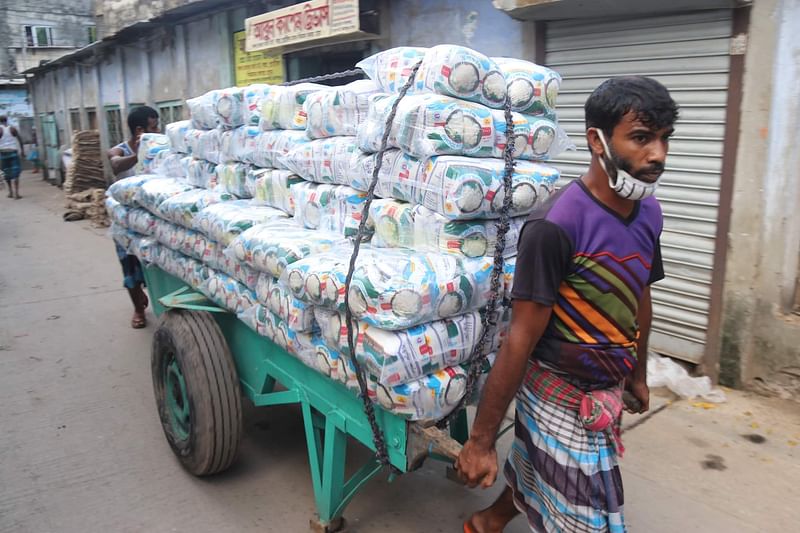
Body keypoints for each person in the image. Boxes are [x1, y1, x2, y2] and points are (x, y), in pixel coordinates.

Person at [456, 77, 678, 533]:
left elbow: (640, 292)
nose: (658, 154)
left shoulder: (649, 213)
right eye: (641, 138)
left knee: (537, 469)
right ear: (597, 140)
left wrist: (636, 370)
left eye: (663, 138)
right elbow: (520, 337)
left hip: (607, 383)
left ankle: (486, 522)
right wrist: (479, 441)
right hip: (558, 389)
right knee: (591, 514)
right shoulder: (556, 225)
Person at [107, 106, 160, 328]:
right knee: (130, 267)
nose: (158, 130)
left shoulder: (158, 148)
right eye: (153, 126)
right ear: (140, 130)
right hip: (126, 222)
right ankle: (138, 309)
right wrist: (138, 155)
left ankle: (153, 297)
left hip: (149, 220)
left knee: (154, 263)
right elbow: (115, 165)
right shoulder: (117, 151)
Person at [0, 116, 24, 199]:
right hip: (13, 151)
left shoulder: (0, 130)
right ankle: (16, 194)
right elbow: (20, 140)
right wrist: (22, 151)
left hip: (3, 153)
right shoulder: (12, 129)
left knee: (6, 172)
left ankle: (10, 192)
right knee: (16, 172)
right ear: (7, 120)